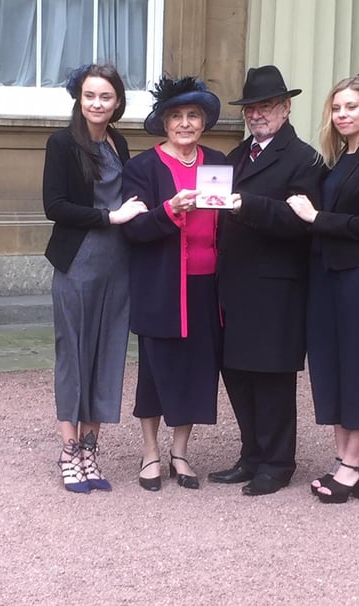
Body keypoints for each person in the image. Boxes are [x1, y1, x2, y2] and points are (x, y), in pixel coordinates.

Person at [208, 65, 326, 496]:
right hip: (235, 282)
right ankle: (252, 454)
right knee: (237, 372)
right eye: (252, 108)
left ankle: (278, 462)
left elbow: (302, 223)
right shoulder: (235, 157)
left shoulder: (305, 158)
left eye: (267, 106)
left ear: (286, 107)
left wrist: (247, 206)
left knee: (272, 376)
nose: (258, 114)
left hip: (277, 285)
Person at [287, 74, 359, 503]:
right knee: (331, 366)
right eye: (336, 108)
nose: (342, 115)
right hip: (328, 275)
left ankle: (353, 465)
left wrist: (315, 217)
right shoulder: (336, 161)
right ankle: (342, 460)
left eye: (350, 107)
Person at [43, 64, 148, 494]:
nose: (97, 104)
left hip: (117, 263)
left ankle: (90, 448)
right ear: (79, 99)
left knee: (107, 354)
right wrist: (110, 216)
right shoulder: (63, 143)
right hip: (78, 262)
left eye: (105, 97)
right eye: (89, 96)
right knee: (75, 353)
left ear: (118, 101)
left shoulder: (119, 142)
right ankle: (69, 451)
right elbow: (55, 205)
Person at [122, 76, 226, 491]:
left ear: (203, 123)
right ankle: (150, 453)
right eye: (177, 116)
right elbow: (133, 230)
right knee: (156, 373)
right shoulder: (142, 167)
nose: (185, 124)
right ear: (165, 124)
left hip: (207, 285)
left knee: (197, 372)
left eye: (193, 116)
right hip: (162, 287)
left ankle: (180, 452)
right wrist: (167, 210)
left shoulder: (217, 161)